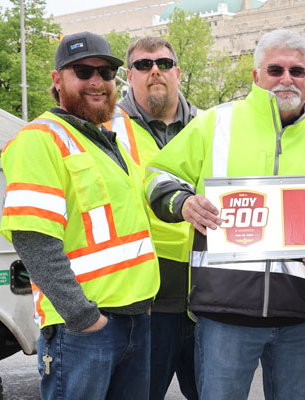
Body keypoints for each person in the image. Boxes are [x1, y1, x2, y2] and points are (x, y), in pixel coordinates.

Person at [144, 29, 305, 400]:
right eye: (275, 69)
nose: (286, 79)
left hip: (299, 314)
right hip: (225, 313)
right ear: (256, 76)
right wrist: (183, 202)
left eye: (297, 71)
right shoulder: (215, 123)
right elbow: (159, 175)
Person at [0, 32, 159, 399]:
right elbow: (34, 240)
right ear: (57, 80)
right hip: (85, 330)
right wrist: (85, 319)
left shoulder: (106, 140)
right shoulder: (39, 139)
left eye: (105, 72)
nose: (97, 82)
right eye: (83, 72)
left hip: (134, 320)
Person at [114, 36, 199, 400]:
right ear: (128, 76)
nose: (155, 72)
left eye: (164, 64)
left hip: (205, 296)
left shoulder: (210, 126)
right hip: (144, 302)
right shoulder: (107, 129)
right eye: (143, 65)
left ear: (177, 73)